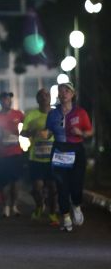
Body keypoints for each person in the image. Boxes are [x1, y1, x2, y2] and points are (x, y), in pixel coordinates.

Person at [46, 82, 92, 232]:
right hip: (59, 150)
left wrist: (81, 133)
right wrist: (43, 134)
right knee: (61, 186)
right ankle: (65, 217)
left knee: (76, 184)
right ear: (58, 95)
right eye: (61, 91)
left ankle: (76, 205)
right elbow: (48, 132)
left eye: (67, 90)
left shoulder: (80, 112)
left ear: (72, 94)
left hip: (76, 150)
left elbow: (89, 131)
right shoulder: (53, 114)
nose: (64, 93)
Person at [21, 88, 59, 225]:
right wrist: (33, 132)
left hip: (53, 158)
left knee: (53, 187)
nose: (44, 97)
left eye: (46, 95)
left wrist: (51, 132)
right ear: (37, 99)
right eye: (41, 95)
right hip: (36, 158)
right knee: (37, 187)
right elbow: (23, 133)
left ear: (50, 98)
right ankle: (39, 206)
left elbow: (63, 130)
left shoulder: (56, 114)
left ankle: (53, 213)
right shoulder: (31, 115)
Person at [0, 91, 25, 217]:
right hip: (2, 154)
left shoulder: (18, 114)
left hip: (16, 152)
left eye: (9, 99)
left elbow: (27, 127)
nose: (7, 101)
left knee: (16, 182)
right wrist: (0, 134)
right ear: (0, 101)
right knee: (4, 183)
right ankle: (5, 206)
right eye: (5, 99)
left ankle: (14, 206)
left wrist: (23, 133)